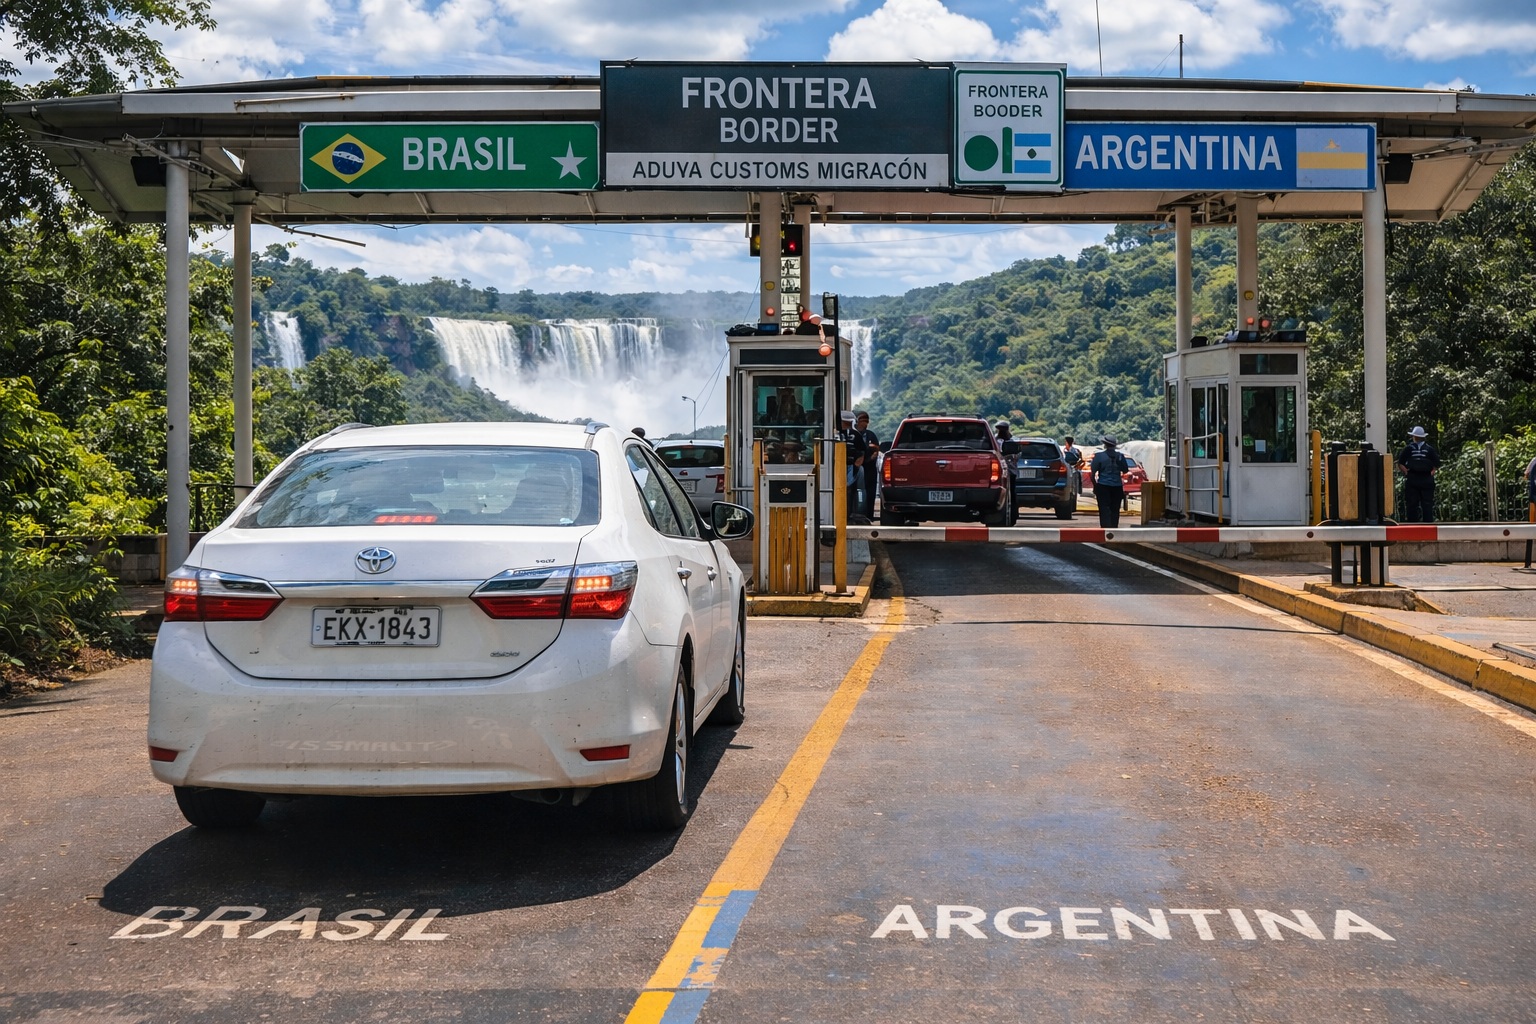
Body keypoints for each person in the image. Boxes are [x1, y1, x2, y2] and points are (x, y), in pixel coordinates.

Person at [1396, 426, 1441, 523]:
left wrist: (1432, 471)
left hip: (1423, 477)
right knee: (1415, 503)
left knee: (1424, 503)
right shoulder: (1411, 448)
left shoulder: (1427, 449)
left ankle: (1423, 524)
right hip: (1416, 477)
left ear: (1414, 437)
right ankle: (1418, 524)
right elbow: (1401, 463)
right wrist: (1407, 472)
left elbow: (1400, 463)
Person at [1090, 435, 1128, 528]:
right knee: (1115, 509)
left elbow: (1092, 473)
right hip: (1117, 486)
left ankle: (1105, 531)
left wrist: (1095, 486)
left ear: (1105, 444)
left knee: (1104, 509)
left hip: (1103, 486)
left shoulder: (1099, 456)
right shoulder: (1120, 456)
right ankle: (1114, 530)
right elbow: (1125, 470)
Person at [836, 410, 865, 520]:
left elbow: (862, 451)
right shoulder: (836, 433)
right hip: (838, 466)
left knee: (848, 490)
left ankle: (846, 514)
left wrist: (857, 464)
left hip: (849, 467)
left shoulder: (855, 434)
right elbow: (862, 451)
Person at [855, 410, 880, 519]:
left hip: (869, 467)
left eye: (866, 421)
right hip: (856, 467)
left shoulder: (870, 435)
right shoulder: (853, 434)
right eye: (862, 420)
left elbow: (876, 449)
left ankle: (869, 514)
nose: (864, 423)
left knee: (870, 492)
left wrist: (871, 458)